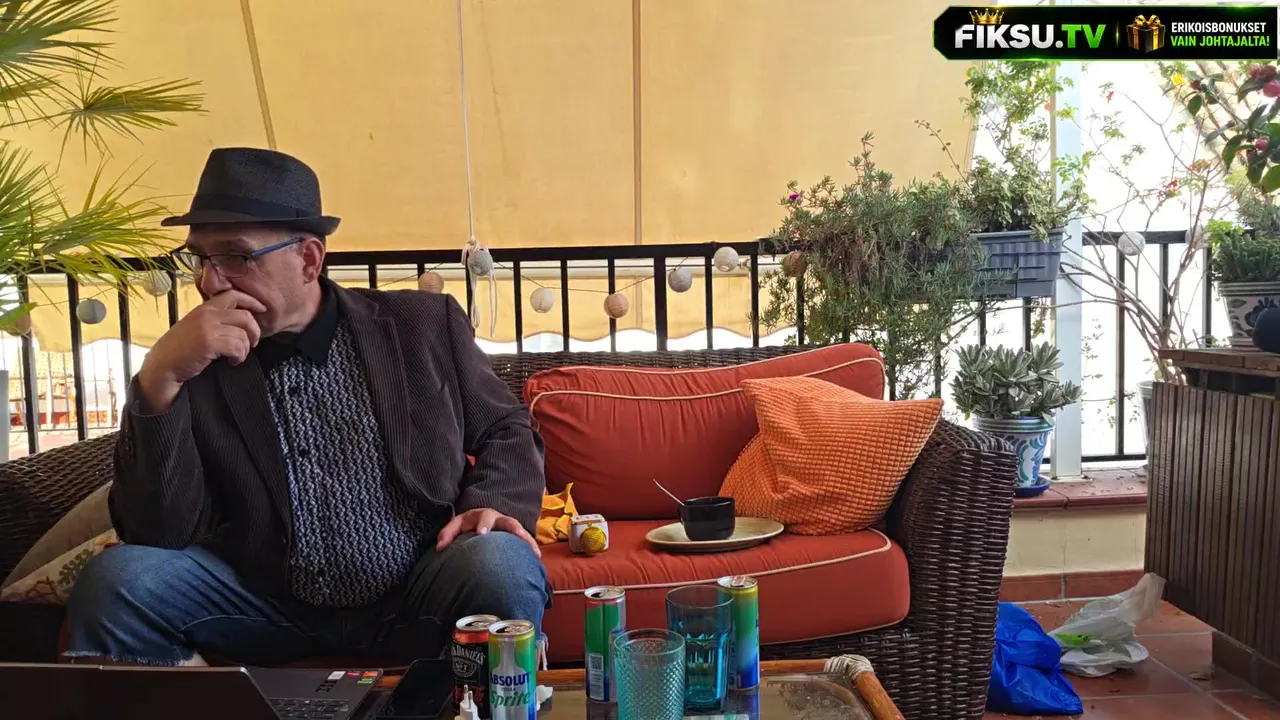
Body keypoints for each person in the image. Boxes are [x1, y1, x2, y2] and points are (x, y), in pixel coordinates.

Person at [64, 147, 551, 667]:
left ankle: (485, 698)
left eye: (235, 256)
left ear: (309, 259)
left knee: (500, 562)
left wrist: (492, 502)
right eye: (200, 259)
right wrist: (159, 380)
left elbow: (506, 426)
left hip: (418, 588)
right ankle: (195, 696)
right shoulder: (194, 359)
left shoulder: (421, 326)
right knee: (117, 580)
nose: (209, 281)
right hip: (261, 603)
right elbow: (156, 534)